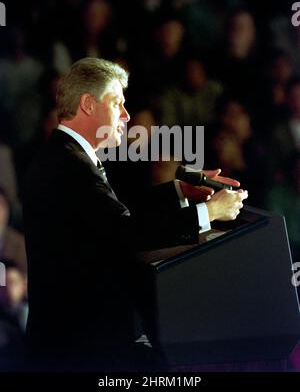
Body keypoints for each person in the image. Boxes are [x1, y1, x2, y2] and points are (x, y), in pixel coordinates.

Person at [23, 57, 247, 371]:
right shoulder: (70, 166)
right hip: (79, 349)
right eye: (118, 104)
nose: (127, 116)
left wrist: (179, 191)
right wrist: (210, 210)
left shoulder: (66, 156)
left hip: (76, 343)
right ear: (89, 104)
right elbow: (127, 233)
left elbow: (113, 215)